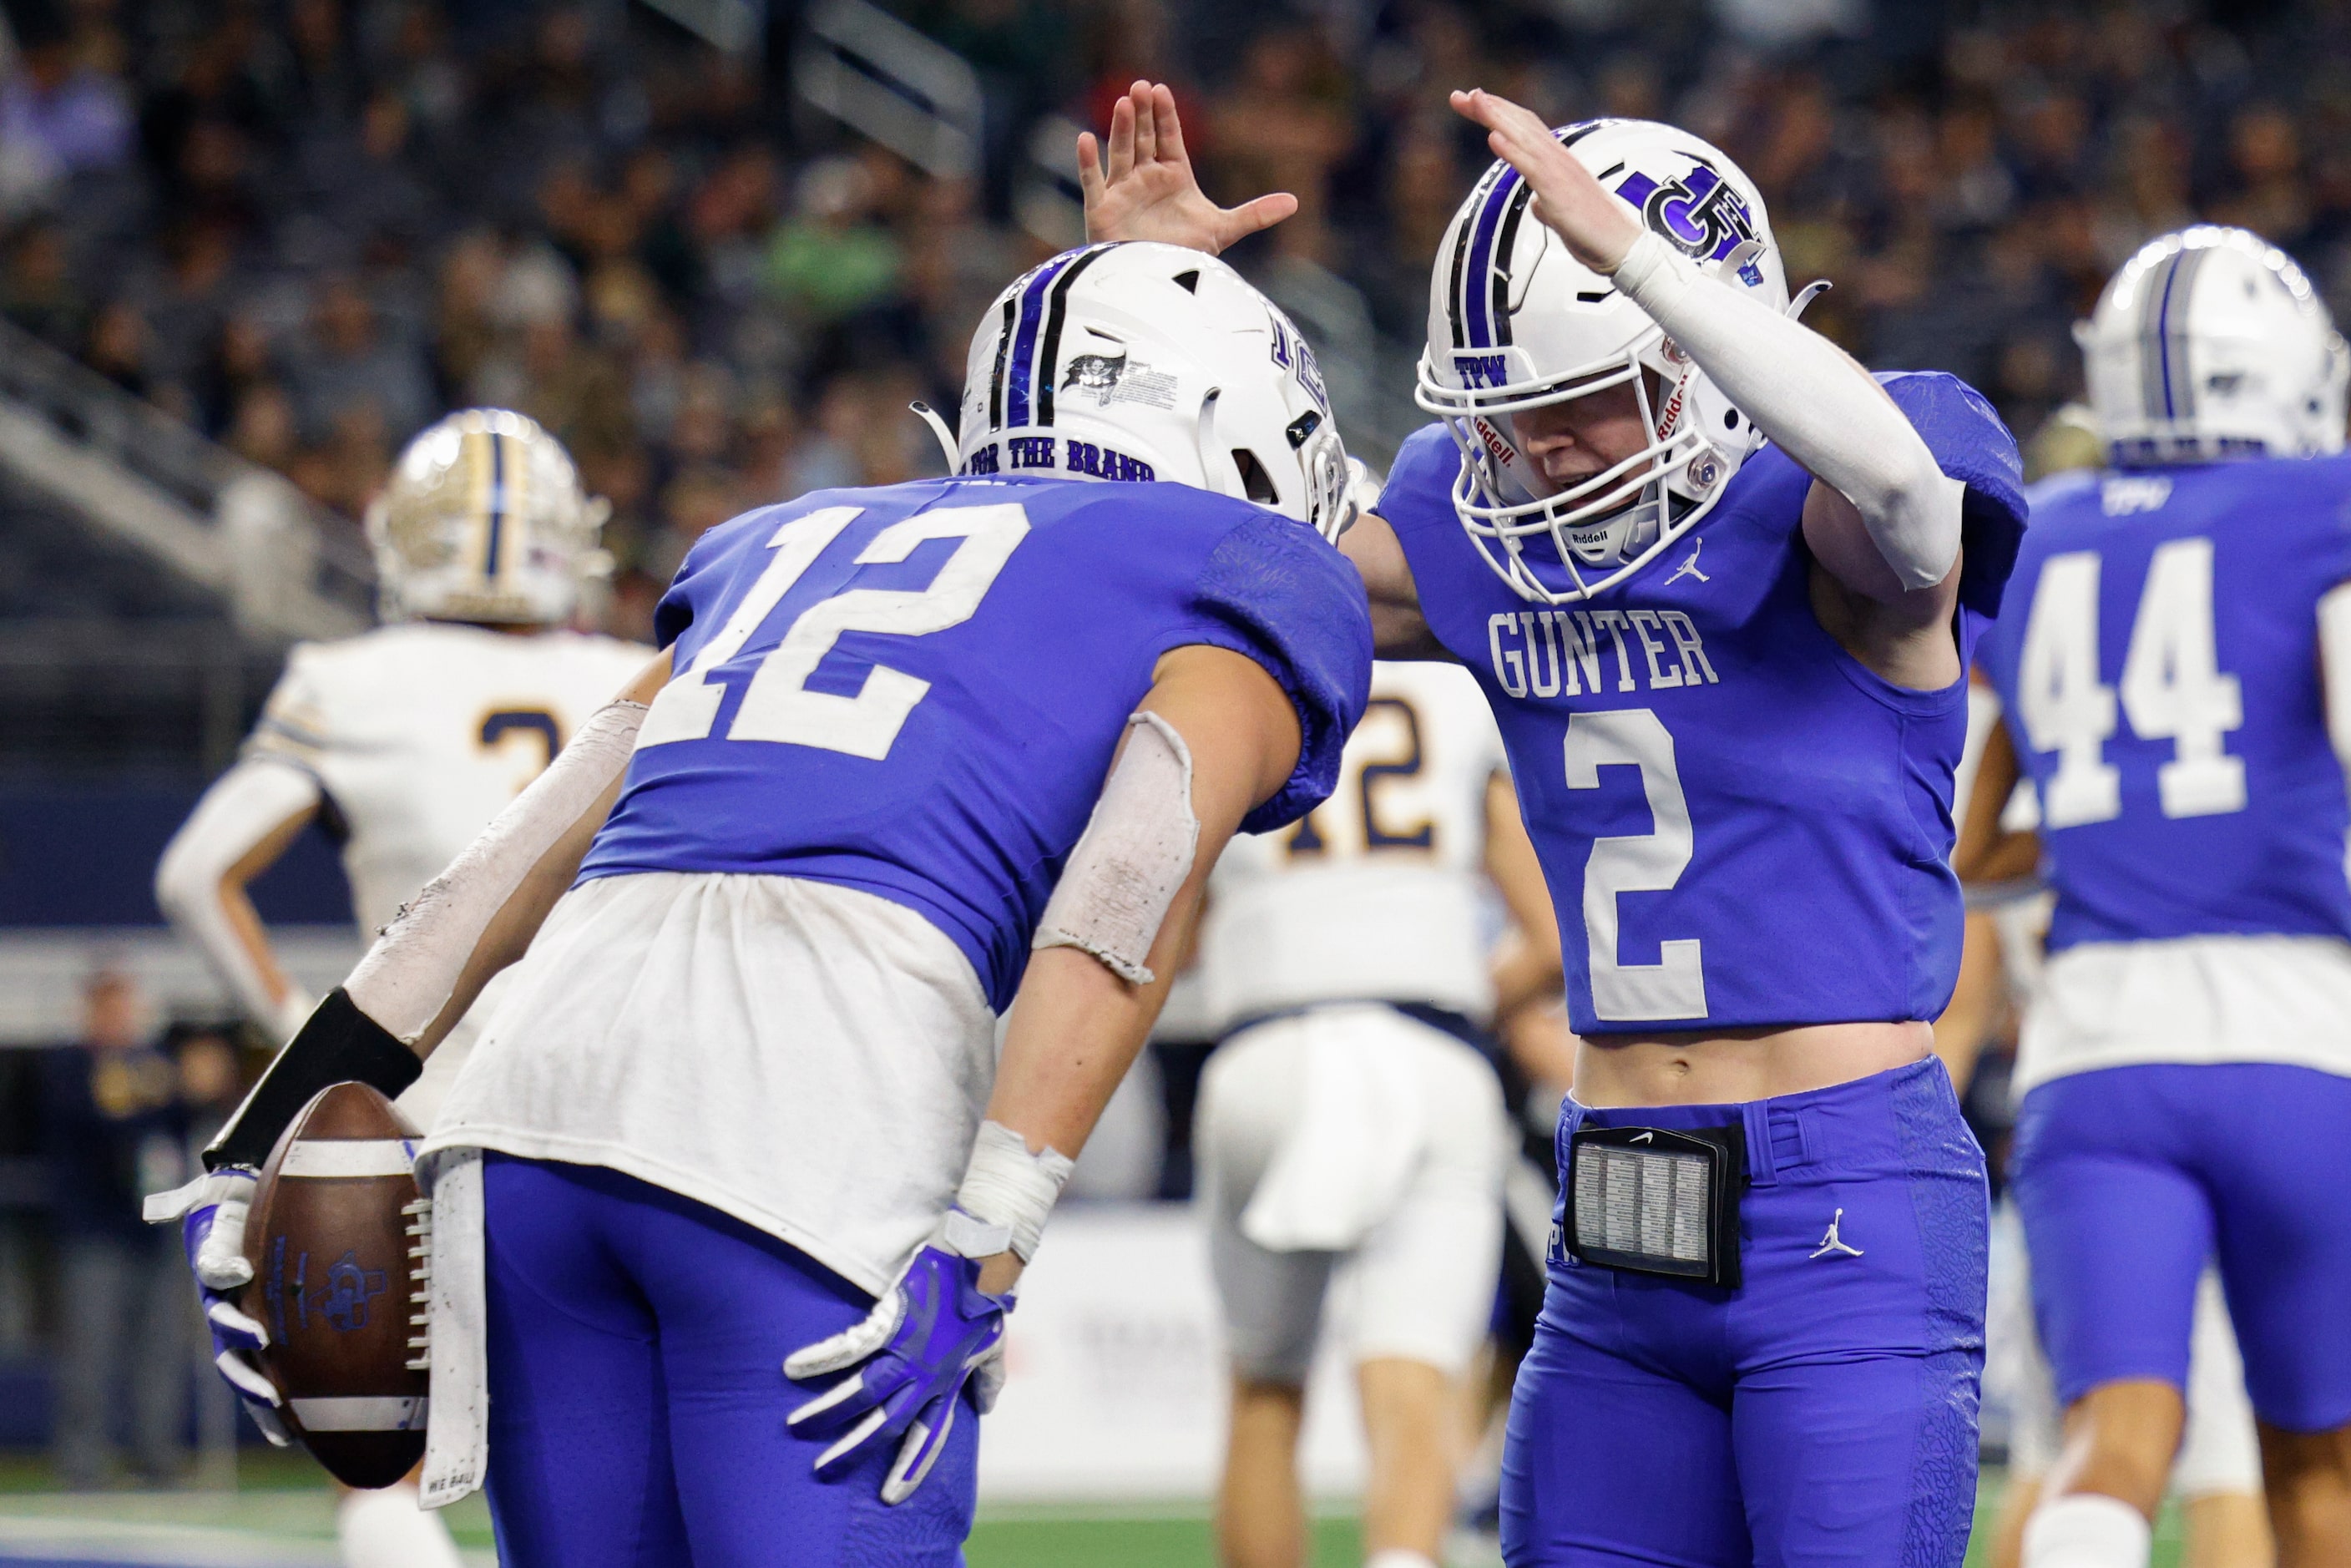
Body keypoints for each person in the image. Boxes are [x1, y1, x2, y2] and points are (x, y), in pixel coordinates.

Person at [153, 240, 1371, 1566]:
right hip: (809, 1102)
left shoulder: (788, 537)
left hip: (537, 1102)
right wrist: (988, 1238)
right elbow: (1129, 887)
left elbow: (507, 864)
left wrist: (259, 1132)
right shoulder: (1239, 567)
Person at [1083, 83, 2027, 1563]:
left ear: (1699, 354)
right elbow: (1229, 571)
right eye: (1507, 422)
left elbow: (1903, 498)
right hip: (1613, 1206)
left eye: (1575, 405)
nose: (1538, 455)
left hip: (1842, 1193)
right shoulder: (1477, 521)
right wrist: (1149, 303)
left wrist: (1647, 266)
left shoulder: (1851, 487)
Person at [152, 407, 642, 1568]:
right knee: (610, 1458)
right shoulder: (636, 670)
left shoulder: (350, 680)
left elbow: (194, 875)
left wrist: (301, 1045)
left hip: (417, 1116)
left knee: (382, 1463)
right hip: (618, 1108)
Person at [1966, 223, 2351, 1568]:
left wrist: (2118, 832)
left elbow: (1977, 844)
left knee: (2111, 1442)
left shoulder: (2043, 534)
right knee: (2320, 1467)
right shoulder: (2325, 508)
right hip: (2302, 1033)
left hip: (2099, 1047)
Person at [1192, 655, 1554, 1568]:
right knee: (1413, 1382)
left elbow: (1164, 916)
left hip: (1263, 1046)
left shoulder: (1216, 663)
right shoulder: (1449, 686)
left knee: (1263, 1395)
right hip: (1426, 1048)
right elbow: (1551, 936)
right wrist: (1464, 990)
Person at [41, 969, 190, 1488]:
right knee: (91, 1354)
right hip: (94, 1231)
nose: (122, 1018)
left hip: (151, 1227)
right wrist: (149, 1090)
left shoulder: (151, 1060)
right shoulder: (69, 1062)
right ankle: (82, 1466)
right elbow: (102, 1116)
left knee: (159, 1353)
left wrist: (159, 1087)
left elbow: (181, 1104)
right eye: (112, 1008)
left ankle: (157, 1460)